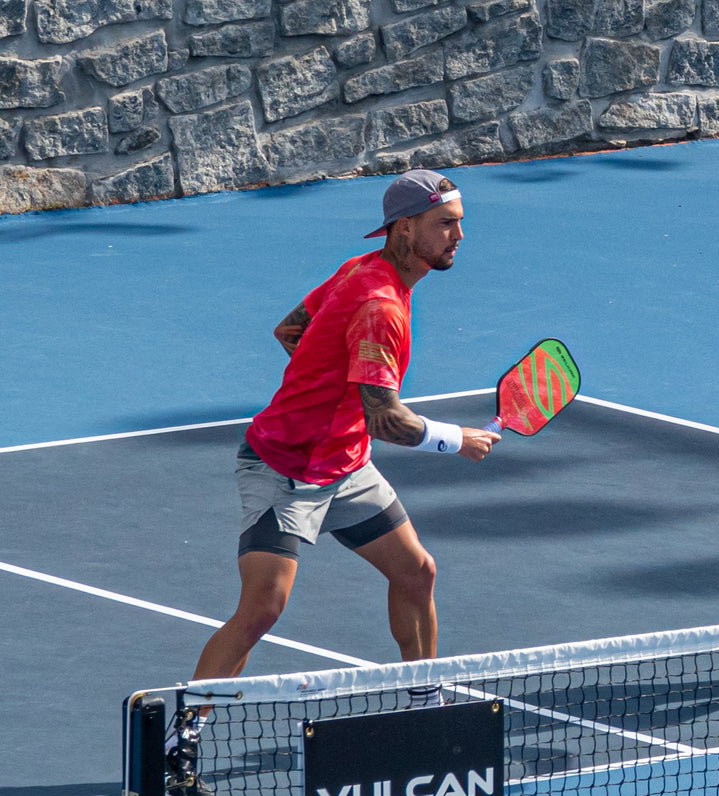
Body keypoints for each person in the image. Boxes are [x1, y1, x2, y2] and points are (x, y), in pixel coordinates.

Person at [192, 169, 498, 706]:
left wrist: (331, 387)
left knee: (416, 572)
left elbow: (291, 330)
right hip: (286, 468)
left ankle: (424, 702)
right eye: (445, 223)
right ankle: (180, 735)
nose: (459, 235)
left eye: (459, 222)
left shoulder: (361, 268)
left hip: (347, 465)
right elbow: (386, 421)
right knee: (262, 608)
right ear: (406, 227)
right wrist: (457, 439)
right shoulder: (379, 307)